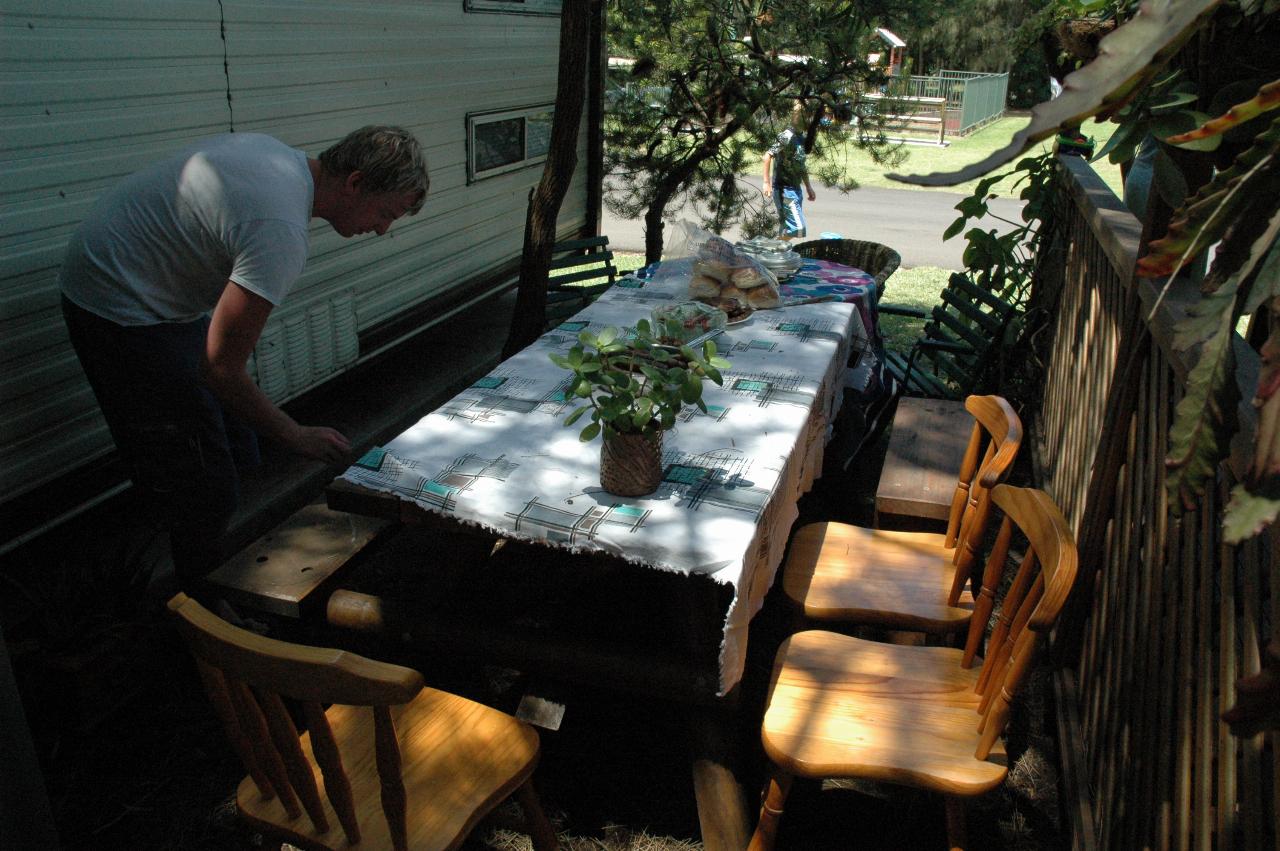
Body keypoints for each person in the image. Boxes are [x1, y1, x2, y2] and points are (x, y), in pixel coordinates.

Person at [58, 125, 430, 588]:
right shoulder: (280, 230)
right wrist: (296, 434)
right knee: (203, 484)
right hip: (117, 304)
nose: (382, 229)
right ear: (354, 182)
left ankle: (216, 551)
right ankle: (198, 607)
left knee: (236, 443)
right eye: (384, 213)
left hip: (150, 283)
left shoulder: (280, 159)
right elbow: (219, 368)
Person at [762, 103, 816, 241]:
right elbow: (767, 156)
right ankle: (772, 249)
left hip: (796, 189)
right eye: (804, 116)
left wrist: (808, 186)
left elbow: (801, 166)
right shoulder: (786, 136)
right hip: (784, 190)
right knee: (797, 229)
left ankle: (777, 256)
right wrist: (766, 182)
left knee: (785, 227)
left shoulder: (801, 138)